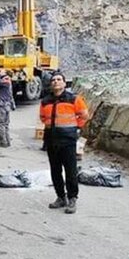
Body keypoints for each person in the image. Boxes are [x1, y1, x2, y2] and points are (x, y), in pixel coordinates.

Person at [39, 72, 89, 214]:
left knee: (70, 171)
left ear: (64, 83)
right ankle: (61, 197)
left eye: (59, 79)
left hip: (68, 141)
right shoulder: (46, 101)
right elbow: (43, 117)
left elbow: (84, 115)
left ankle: (72, 198)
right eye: (53, 80)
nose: (56, 82)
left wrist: (75, 128)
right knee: (55, 171)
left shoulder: (74, 99)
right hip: (51, 140)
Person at [0, 69, 16, 147]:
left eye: (2, 71)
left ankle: (3, 142)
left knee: (0, 124)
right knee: (6, 124)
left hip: (1, 105)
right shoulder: (8, 81)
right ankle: (8, 141)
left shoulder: (3, 80)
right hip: (7, 105)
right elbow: (11, 94)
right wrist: (13, 104)